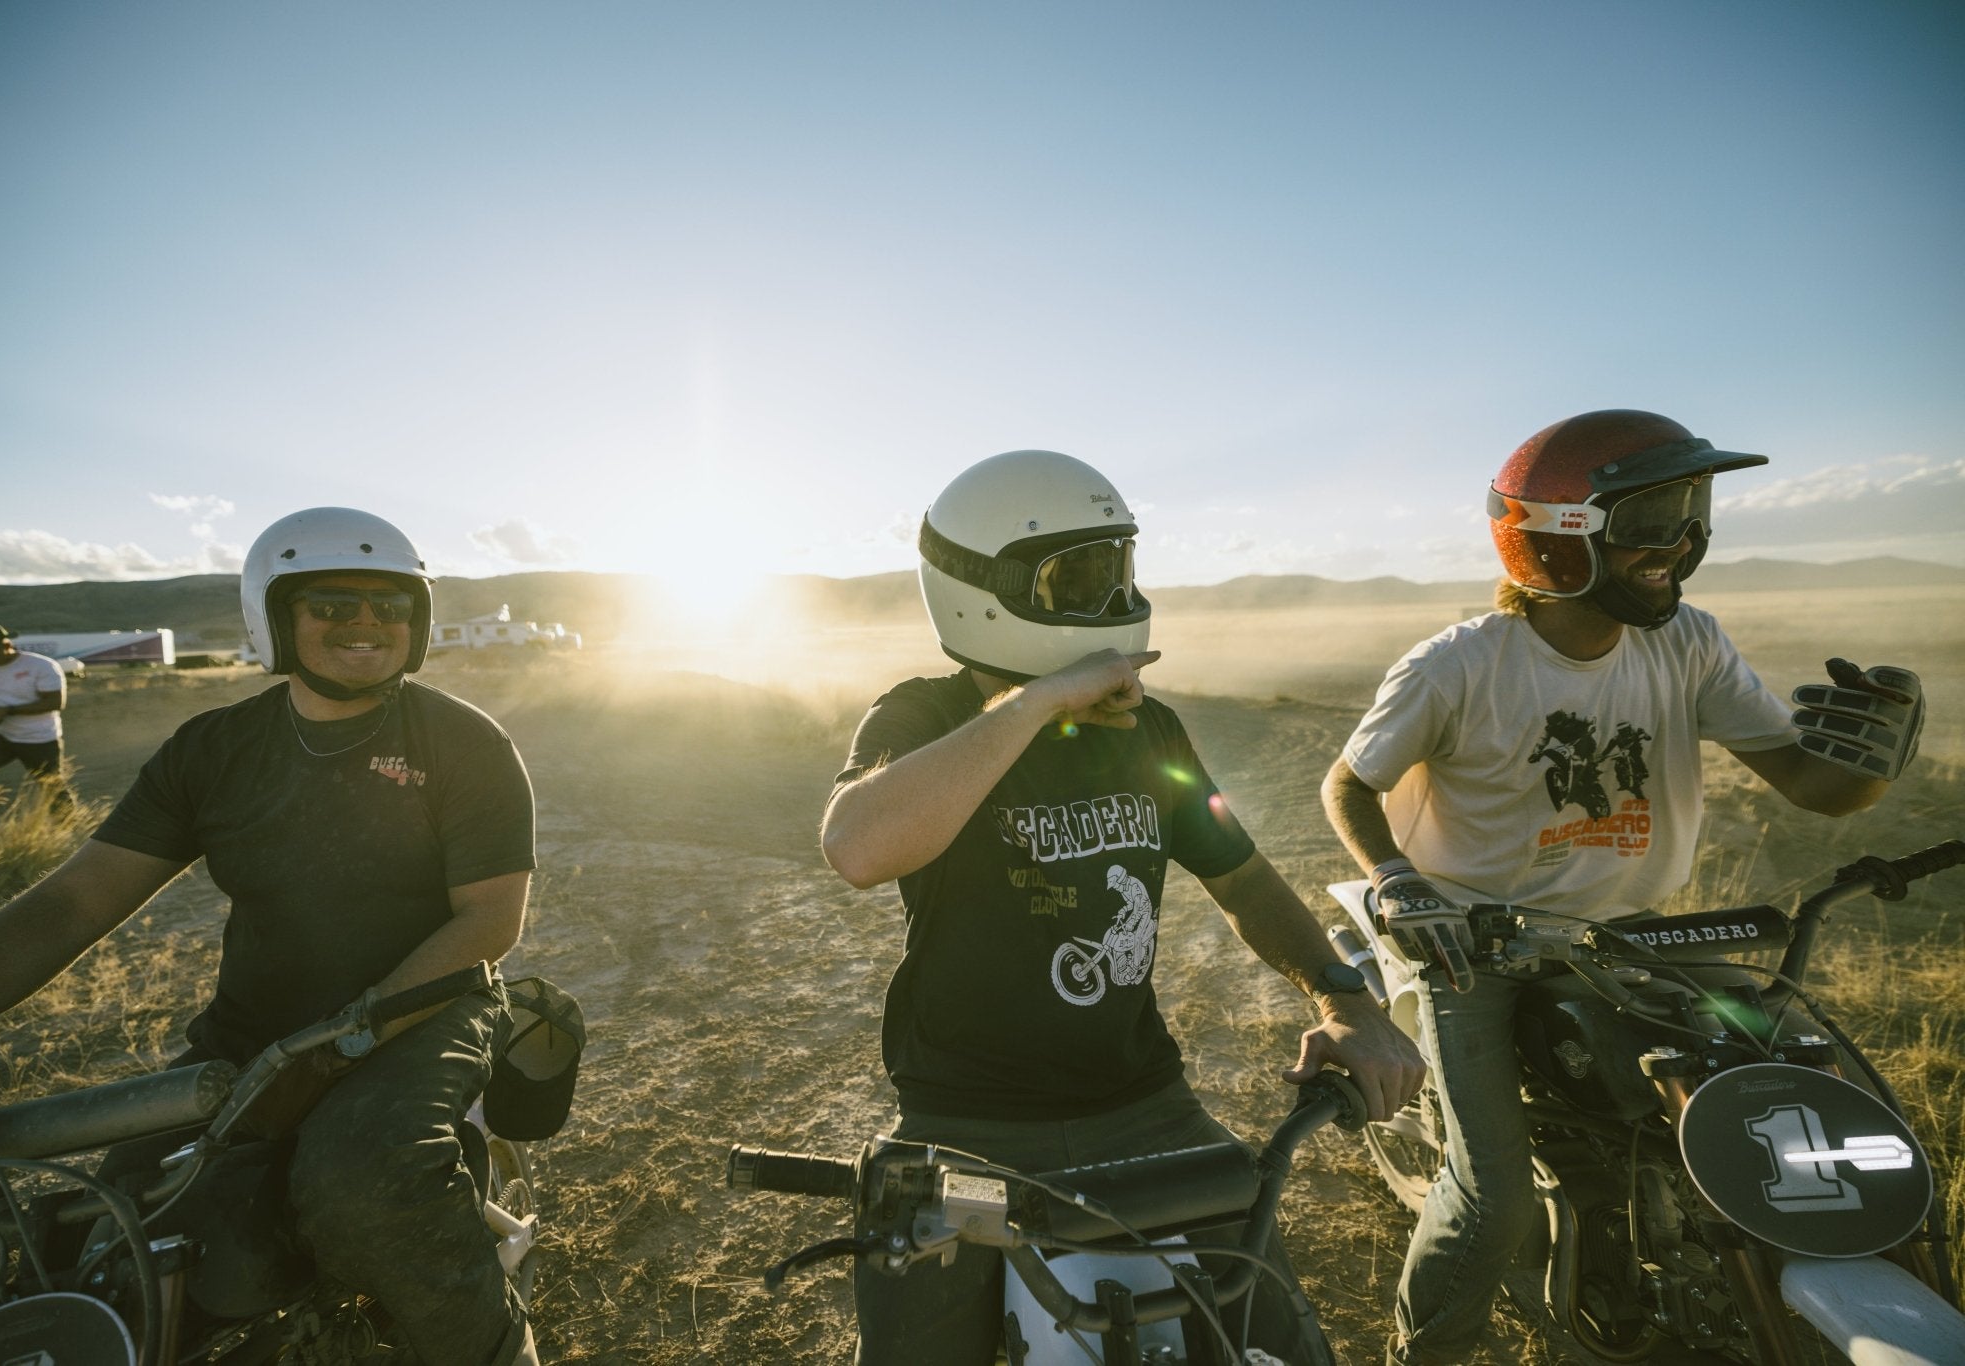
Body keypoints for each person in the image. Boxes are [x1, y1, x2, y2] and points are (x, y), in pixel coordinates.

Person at [1319, 409, 1925, 1365]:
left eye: (1692, 512)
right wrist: (1397, 880)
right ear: (1560, 538)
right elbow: (1349, 784)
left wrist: (1880, 752)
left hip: (1635, 935)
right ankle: (1422, 1352)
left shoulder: (1687, 641)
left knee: (1797, 1093)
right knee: (1495, 1195)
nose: (1681, 544)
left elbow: (1818, 787)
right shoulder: (1461, 664)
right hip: (1475, 946)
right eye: (1653, 519)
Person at [822, 449, 1426, 1364]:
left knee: (1278, 1345)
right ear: (982, 590)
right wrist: (1034, 705)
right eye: (1081, 577)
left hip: (1147, 1106)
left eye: (1120, 568)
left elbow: (1244, 878)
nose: (1114, 603)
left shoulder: (1151, 730)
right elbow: (858, 846)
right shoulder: (923, 717)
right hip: (963, 1119)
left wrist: (1343, 998)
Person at [0, 508, 541, 1366]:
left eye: (389, 606)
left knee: (365, 1184)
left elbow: (488, 921)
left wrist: (340, 1045)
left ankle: (501, 1351)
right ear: (274, 616)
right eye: (331, 603)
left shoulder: (463, 740)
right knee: (114, 1225)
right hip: (255, 1030)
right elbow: (75, 902)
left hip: (425, 1016)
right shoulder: (211, 750)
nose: (366, 625)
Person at [0, 621, 72, 828]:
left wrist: (8, 711)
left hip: (39, 737)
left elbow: (55, 702)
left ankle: (69, 830)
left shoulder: (40, 666)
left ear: (6, 645)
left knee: (51, 785)